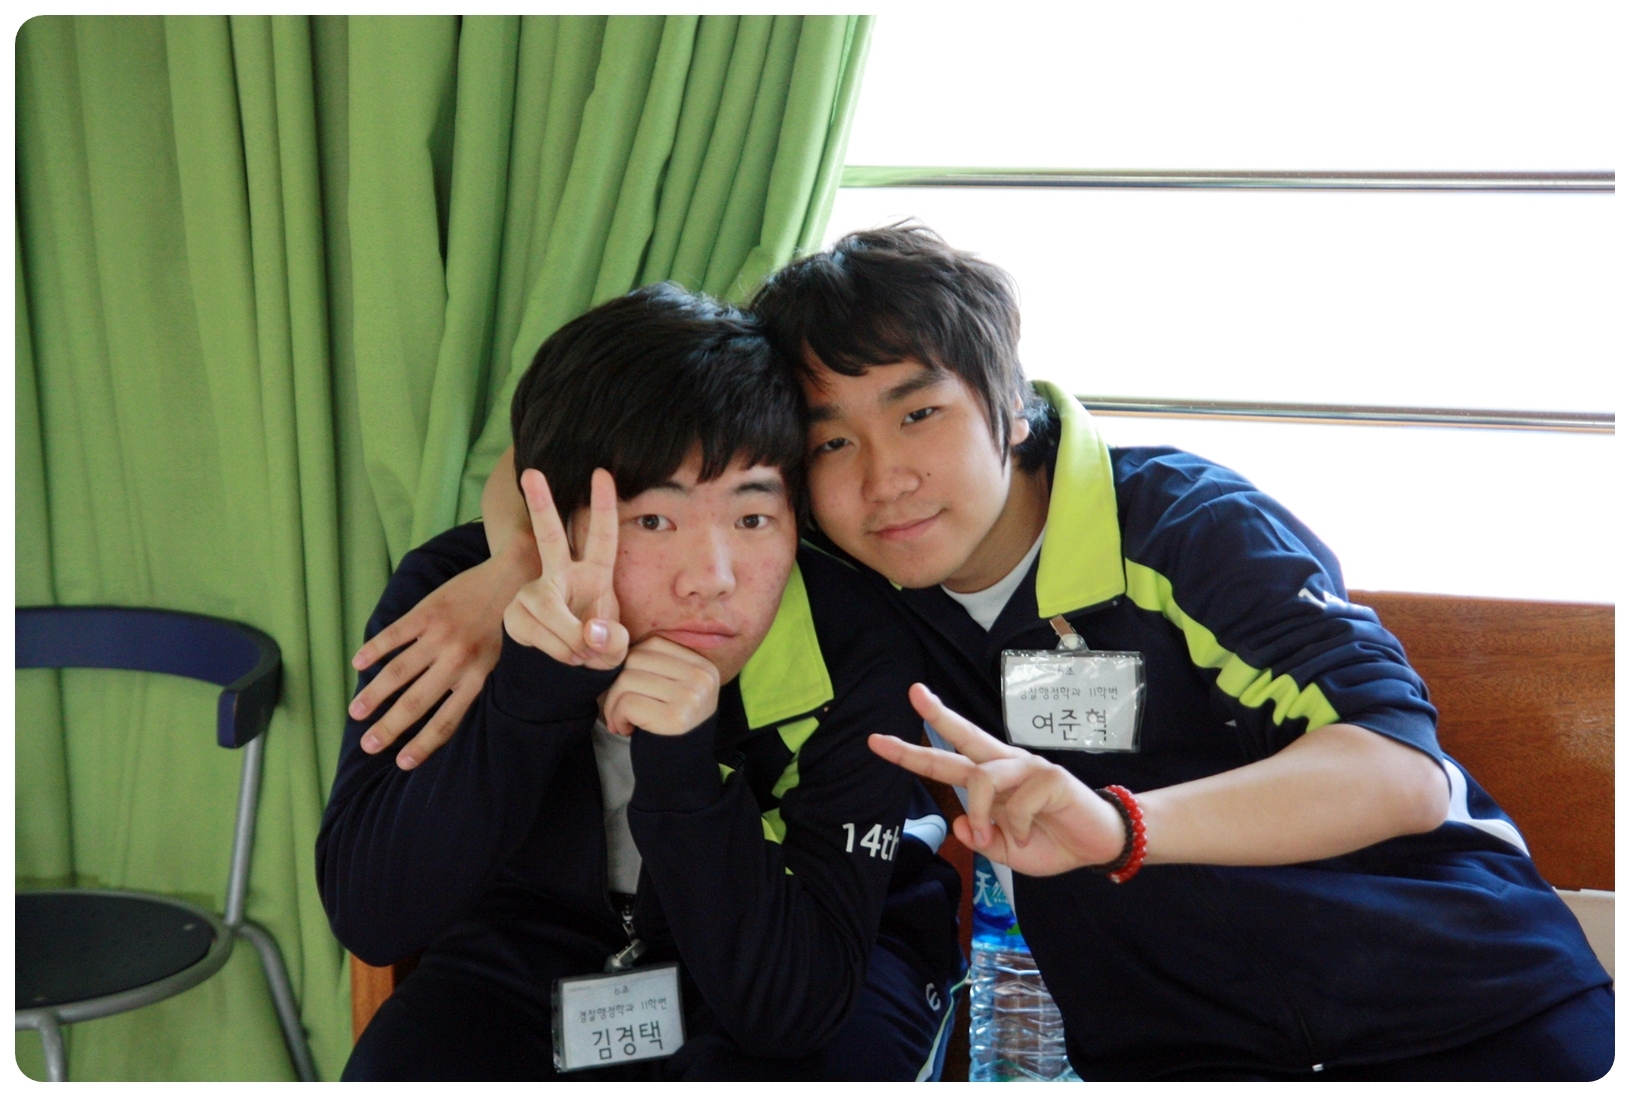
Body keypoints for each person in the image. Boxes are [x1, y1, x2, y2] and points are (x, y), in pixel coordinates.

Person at [367, 227, 1613, 1080]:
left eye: (919, 411)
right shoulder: (840, 569)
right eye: (831, 441)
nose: (885, 476)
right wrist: (505, 567)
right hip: (1179, 1049)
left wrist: (1119, 826)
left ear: (1009, 404)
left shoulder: (1180, 528)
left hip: (1452, 1002)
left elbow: (1401, 771)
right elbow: (610, 442)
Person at [318, 284, 962, 1081]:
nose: (712, 578)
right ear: (555, 519)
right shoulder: (457, 601)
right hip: (533, 944)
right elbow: (373, 916)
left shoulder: (854, 638)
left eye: (753, 518)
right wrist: (530, 697)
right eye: (654, 520)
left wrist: (684, 771)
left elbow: (792, 1009)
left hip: (808, 944)